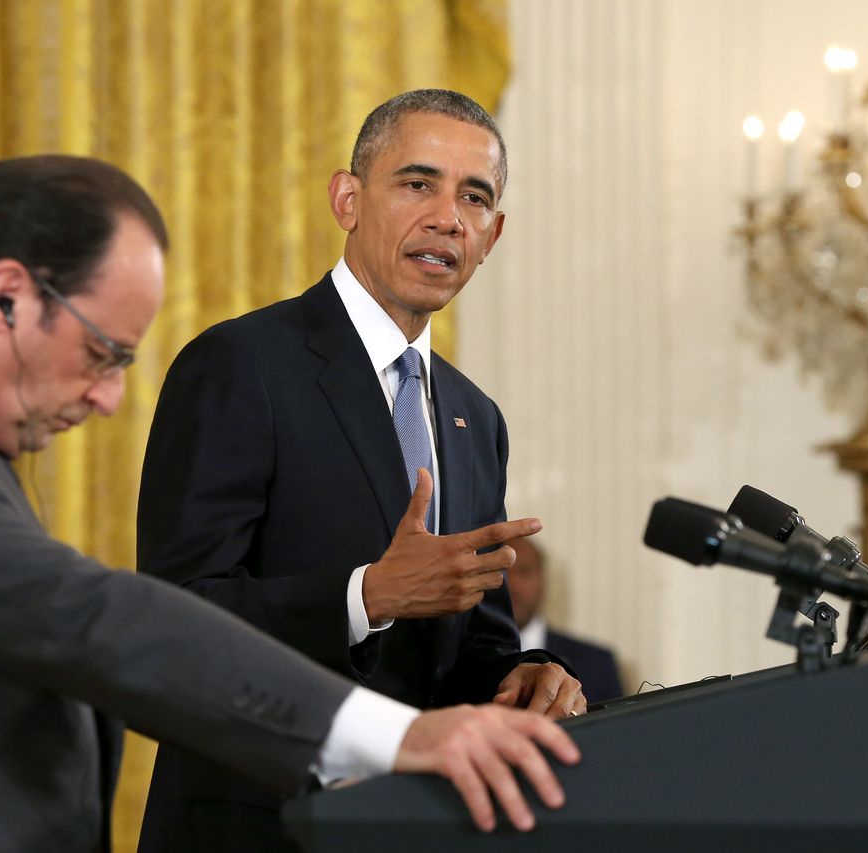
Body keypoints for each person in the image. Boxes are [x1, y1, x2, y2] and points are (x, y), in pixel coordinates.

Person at [0, 155, 580, 853]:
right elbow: (98, 616)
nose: (106, 400)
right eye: (104, 353)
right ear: (6, 296)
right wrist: (397, 735)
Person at [136, 89, 585, 851]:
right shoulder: (241, 365)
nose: (448, 215)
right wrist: (365, 595)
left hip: (423, 826)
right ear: (348, 198)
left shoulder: (477, 418)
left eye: (474, 197)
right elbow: (173, 621)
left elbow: (473, 641)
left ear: (493, 233)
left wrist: (527, 674)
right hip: (263, 825)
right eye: (418, 183)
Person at [508, 538, 625, 703]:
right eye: (502, 572)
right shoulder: (461, 660)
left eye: (524, 571)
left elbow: (616, 728)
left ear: (543, 580)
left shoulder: (597, 663)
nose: (513, 585)